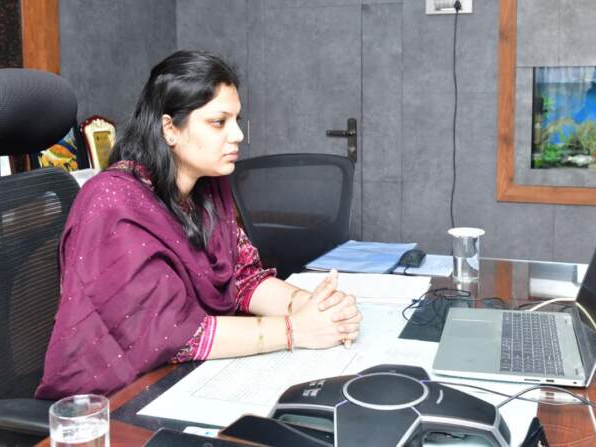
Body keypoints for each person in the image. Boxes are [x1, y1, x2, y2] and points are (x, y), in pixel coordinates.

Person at [35, 50, 362, 399]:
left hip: (185, 375)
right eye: (219, 122)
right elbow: (173, 334)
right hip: (111, 397)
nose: (237, 135)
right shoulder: (113, 202)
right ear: (170, 129)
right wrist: (294, 330)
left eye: (236, 120)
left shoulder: (208, 186)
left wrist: (317, 307)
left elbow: (244, 279)